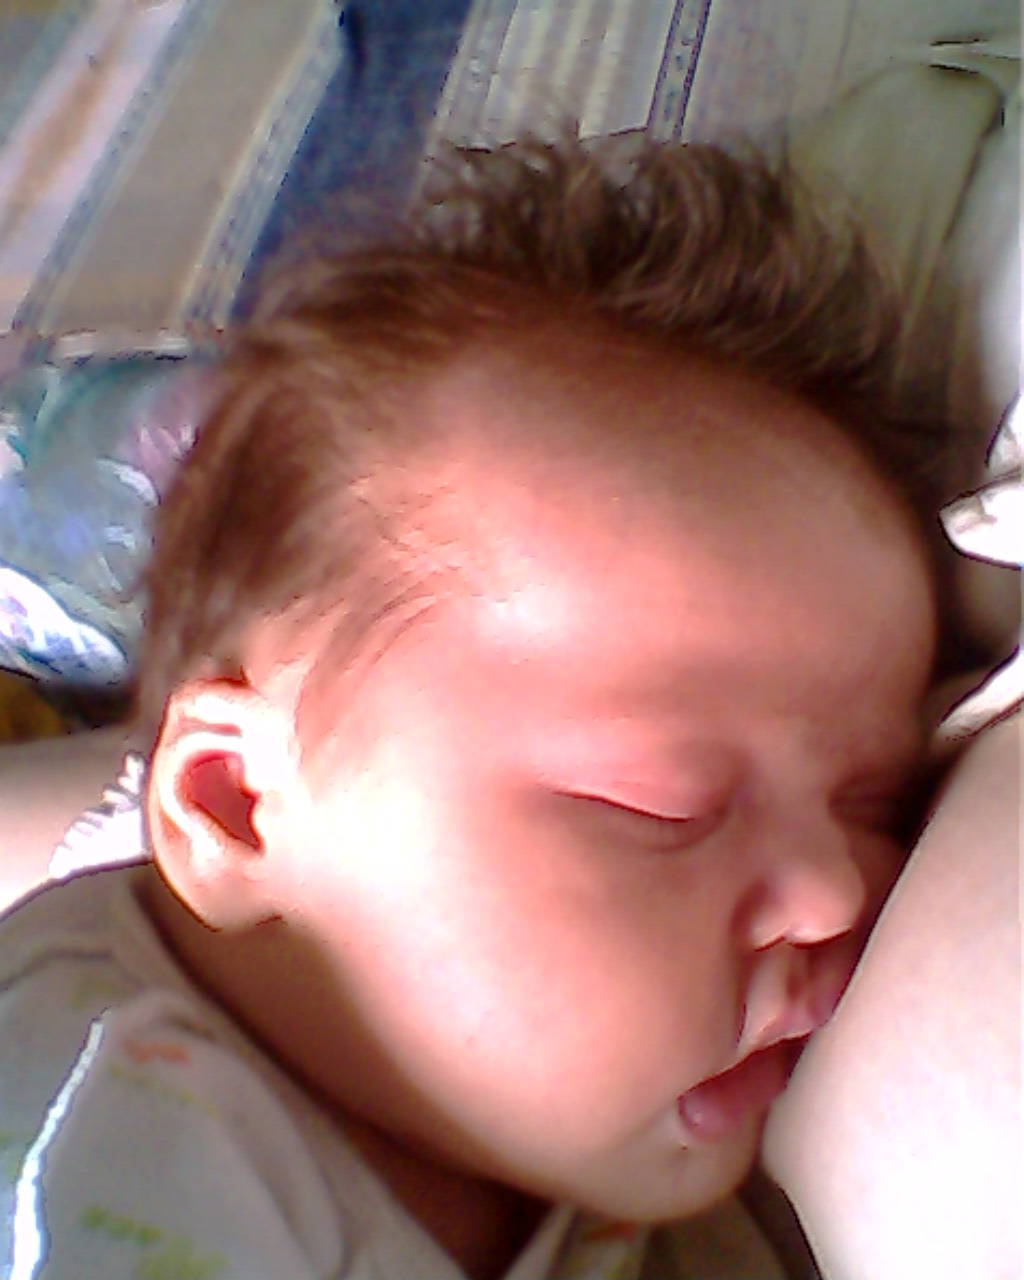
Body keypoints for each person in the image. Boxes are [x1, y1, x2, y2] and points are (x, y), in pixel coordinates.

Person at [0, 137, 943, 1280]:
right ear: (239, 800)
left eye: (872, 802)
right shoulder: (99, 1145)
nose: (836, 892)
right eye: (665, 804)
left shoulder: (483, 1102)